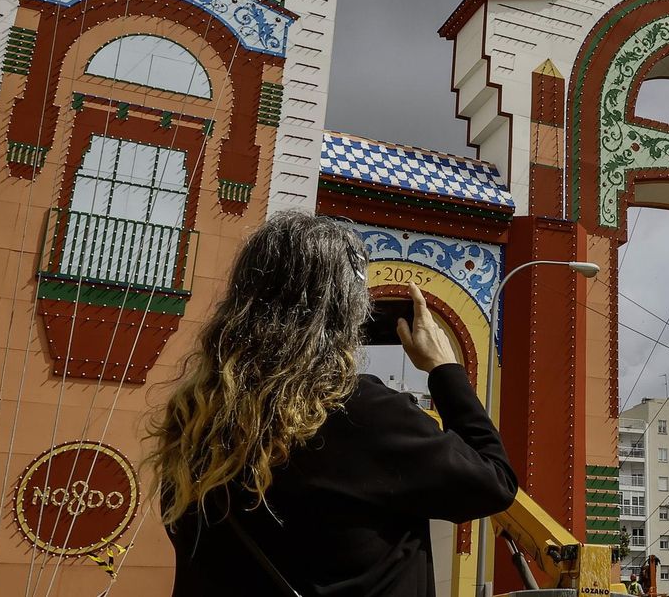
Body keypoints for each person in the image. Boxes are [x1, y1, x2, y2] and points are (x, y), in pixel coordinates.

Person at [149, 211, 517, 596]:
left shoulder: (195, 421)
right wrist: (445, 370)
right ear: (347, 313)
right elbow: (494, 482)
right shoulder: (361, 413)